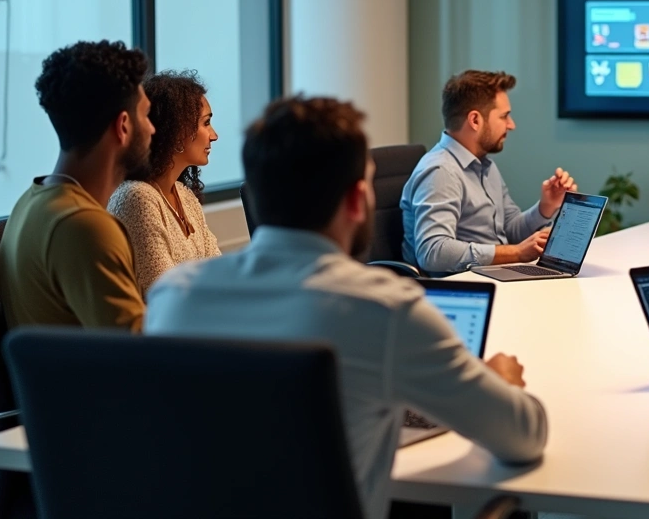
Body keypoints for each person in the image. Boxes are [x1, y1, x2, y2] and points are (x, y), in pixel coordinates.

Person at [145, 96, 547, 518]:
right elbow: (524, 435)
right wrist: (500, 381)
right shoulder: (384, 310)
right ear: (358, 201)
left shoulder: (174, 297)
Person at [0, 40, 153, 331]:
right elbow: (140, 360)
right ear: (123, 126)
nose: (153, 127)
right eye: (145, 115)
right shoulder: (86, 227)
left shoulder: (31, 202)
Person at [401, 70, 577, 276]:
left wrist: (545, 208)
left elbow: (510, 230)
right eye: (504, 116)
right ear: (475, 120)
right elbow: (433, 252)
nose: (512, 125)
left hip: (494, 275)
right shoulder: (441, 172)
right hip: (464, 290)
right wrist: (516, 253)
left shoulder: (485, 165)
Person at [109, 70, 222, 294]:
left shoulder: (185, 196)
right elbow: (165, 295)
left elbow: (217, 273)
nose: (214, 135)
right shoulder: (137, 198)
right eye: (206, 123)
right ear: (178, 130)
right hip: (161, 328)